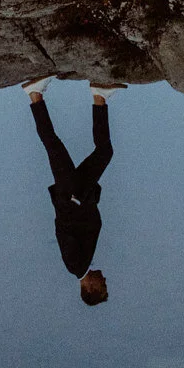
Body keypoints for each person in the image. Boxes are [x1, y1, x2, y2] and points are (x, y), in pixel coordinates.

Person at [24, 77, 117, 305]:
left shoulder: (75, 265)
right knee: (103, 152)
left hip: (72, 193)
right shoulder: (83, 262)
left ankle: (35, 95)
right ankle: (99, 96)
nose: (104, 280)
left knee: (53, 145)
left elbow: (63, 231)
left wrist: (72, 201)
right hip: (79, 192)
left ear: (90, 288)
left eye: (102, 286)